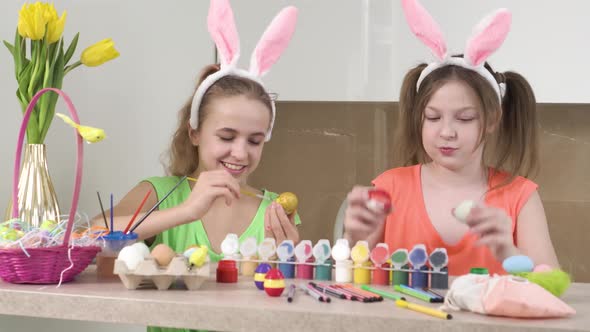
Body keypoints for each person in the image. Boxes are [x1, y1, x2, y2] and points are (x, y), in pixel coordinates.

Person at [343, 0, 559, 275]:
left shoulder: (520, 197)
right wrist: (353, 241)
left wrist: (508, 252)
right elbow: (348, 284)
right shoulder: (389, 188)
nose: (447, 132)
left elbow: (555, 289)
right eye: (433, 117)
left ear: (492, 119)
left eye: (465, 118)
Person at [92, 0, 300, 266]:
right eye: (226, 137)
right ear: (195, 134)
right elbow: (87, 236)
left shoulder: (274, 212)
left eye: (255, 140)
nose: (240, 152)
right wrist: (186, 211)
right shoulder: (158, 194)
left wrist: (290, 259)